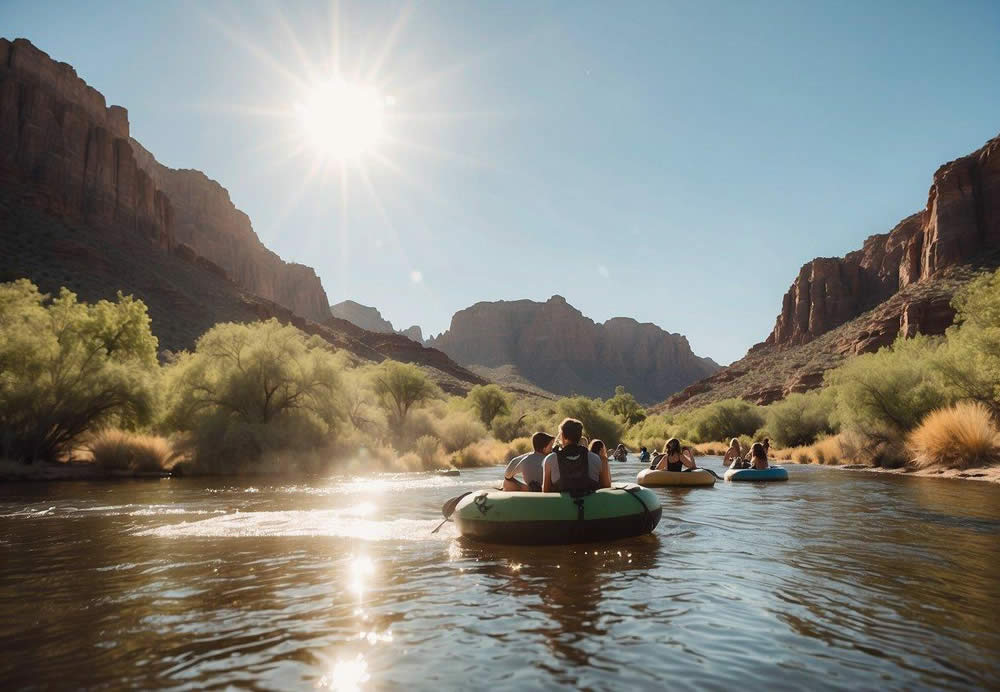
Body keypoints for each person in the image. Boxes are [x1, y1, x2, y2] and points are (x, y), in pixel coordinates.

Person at [542, 418, 611, 492]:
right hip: (588, 503)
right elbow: (606, 487)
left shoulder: (550, 459)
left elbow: (545, 491)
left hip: (561, 503)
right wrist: (604, 461)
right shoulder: (595, 458)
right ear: (580, 436)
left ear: (563, 436)